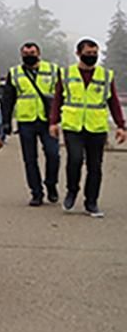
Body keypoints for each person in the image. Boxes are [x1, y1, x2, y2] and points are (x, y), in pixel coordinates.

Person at [50, 39, 126, 217]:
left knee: (95, 166)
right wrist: (53, 122)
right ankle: (72, 190)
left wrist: (121, 126)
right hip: (73, 126)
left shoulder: (105, 75)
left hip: (96, 127)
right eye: (88, 53)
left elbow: (113, 101)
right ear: (78, 53)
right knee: (75, 160)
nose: (92, 56)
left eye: (94, 53)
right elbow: (58, 99)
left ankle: (91, 202)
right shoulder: (66, 73)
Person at [0, 42, 61, 206]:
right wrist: (6, 122)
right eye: (26, 54)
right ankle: (36, 193)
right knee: (30, 159)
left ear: (39, 53)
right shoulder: (14, 73)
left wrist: (60, 117)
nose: (29, 56)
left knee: (53, 154)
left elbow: (62, 94)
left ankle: (51, 184)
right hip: (26, 121)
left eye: (32, 53)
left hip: (48, 120)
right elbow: (8, 99)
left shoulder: (53, 70)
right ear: (21, 55)